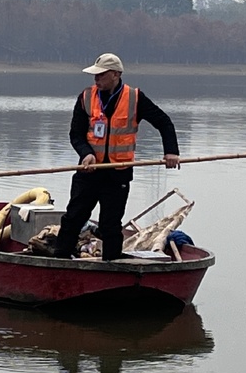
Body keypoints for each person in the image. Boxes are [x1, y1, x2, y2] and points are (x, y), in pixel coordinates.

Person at [52, 53, 180, 261]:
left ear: (116, 74)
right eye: (95, 75)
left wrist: (171, 152)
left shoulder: (135, 98)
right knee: (74, 217)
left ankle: (112, 265)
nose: (96, 79)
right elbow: (76, 134)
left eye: (101, 75)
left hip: (118, 174)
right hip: (89, 170)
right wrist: (86, 154)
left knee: (110, 224)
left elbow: (164, 122)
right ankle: (59, 260)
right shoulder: (86, 97)